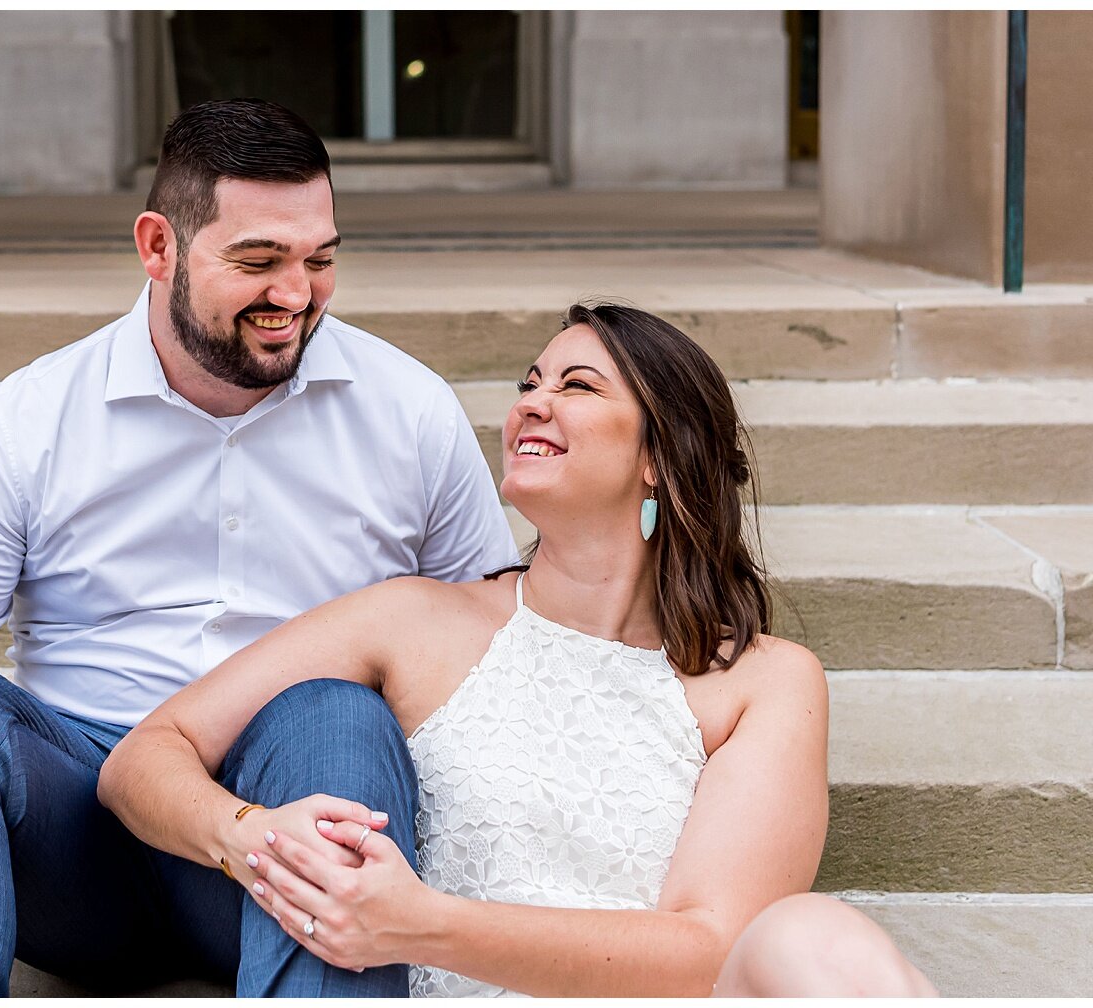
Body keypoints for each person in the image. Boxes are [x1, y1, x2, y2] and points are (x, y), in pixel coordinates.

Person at [0, 99, 518, 998]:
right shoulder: (31, 418)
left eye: (319, 260)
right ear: (158, 247)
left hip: (290, 829)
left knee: (335, 710)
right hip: (76, 839)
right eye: (257, 261)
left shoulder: (409, 410)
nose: (294, 295)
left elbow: (491, 654)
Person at [98, 302, 940, 997]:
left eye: (577, 386)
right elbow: (144, 757)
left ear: (659, 456)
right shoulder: (415, 622)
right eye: (529, 384)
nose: (532, 403)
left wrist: (423, 922)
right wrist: (251, 835)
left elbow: (711, 946)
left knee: (811, 934)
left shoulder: (763, 683)